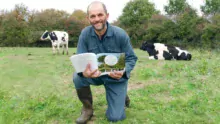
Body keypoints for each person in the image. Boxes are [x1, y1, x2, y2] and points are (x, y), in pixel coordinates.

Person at [72, 1, 138, 123]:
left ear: (107, 16)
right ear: (88, 19)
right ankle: (87, 109)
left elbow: (131, 58)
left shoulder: (120, 34)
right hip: (95, 75)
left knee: (115, 118)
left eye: (100, 15)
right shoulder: (85, 34)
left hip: (115, 77)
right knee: (77, 77)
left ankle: (121, 95)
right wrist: (84, 72)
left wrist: (124, 70)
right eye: (93, 16)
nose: (97, 19)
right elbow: (80, 58)